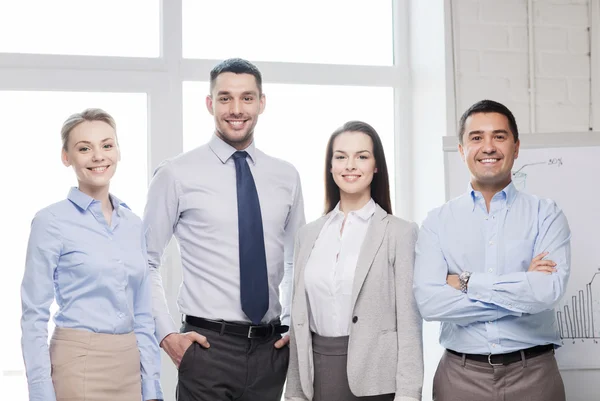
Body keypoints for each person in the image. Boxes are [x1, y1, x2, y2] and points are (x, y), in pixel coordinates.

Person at [143, 58, 305, 401]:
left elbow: (297, 260)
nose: (236, 109)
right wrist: (167, 335)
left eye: (247, 98)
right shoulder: (176, 174)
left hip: (271, 350)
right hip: (206, 350)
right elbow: (146, 261)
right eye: (225, 98)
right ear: (209, 103)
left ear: (262, 102)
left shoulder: (286, 176)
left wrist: (293, 324)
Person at [413, 99, 570, 401]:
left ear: (516, 147)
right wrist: (520, 287)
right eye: (476, 138)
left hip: (535, 375)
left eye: (499, 136)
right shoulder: (437, 222)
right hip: (460, 378)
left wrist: (466, 282)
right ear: (461, 150)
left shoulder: (546, 215)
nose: (488, 147)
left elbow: (546, 292)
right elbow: (430, 303)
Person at [20, 108, 163, 401]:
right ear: (66, 157)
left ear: (118, 152)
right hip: (77, 363)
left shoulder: (133, 224)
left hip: (129, 365)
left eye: (107, 145)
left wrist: (152, 387)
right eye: (85, 148)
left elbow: (144, 314)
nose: (98, 156)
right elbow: (33, 315)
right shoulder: (51, 221)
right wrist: (40, 393)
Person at [285, 121, 424, 401]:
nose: (350, 165)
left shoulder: (399, 232)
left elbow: (409, 324)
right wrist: (295, 392)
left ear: (376, 166)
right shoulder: (308, 234)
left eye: (361, 156)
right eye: (341, 157)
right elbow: (299, 321)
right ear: (330, 166)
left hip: (377, 381)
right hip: (318, 377)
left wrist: (409, 395)